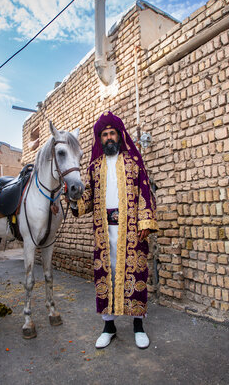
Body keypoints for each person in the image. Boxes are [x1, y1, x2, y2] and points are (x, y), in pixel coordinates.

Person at [70, 111, 158, 349]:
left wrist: (145, 222)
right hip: (103, 231)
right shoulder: (94, 167)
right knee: (105, 276)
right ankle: (108, 327)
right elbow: (88, 198)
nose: (109, 138)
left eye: (112, 133)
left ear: (120, 135)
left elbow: (144, 192)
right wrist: (74, 198)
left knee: (135, 275)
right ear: (99, 139)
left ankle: (138, 326)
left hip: (130, 230)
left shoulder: (133, 161)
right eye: (104, 134)